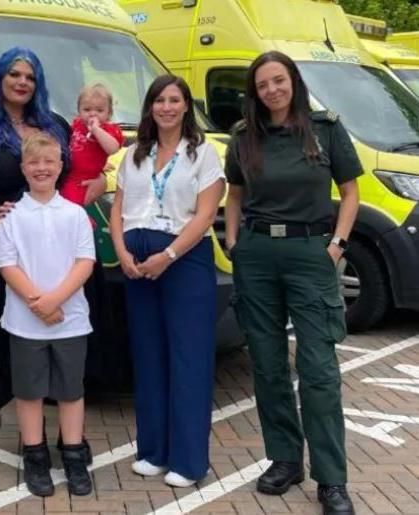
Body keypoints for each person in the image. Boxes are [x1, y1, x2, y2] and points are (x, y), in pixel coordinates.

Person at [224, 51, 360, 515]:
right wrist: (235, 242)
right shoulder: (244, 138)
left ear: (292, 82)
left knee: (319, 370)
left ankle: (332, 479)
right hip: (258, 257)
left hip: (310, 254)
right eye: (262, 85)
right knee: (267, 364)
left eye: (278, 81)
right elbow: (235, 193)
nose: (272, 91)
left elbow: (350, 190)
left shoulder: (324, 129)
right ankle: (285, 459)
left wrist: (337, 245)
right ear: (255, 92)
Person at [109, 74, 224, 488]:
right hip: (137, 262)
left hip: (183, 260)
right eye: (159, 100)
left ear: (185, 105)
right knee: (149, 356)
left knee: (188, 359)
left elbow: (205, 214)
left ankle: (189, 461)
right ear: (149, 107)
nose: (167, 107)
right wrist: (121, 251)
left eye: (175, 100)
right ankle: (154, 451)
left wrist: (169, 255)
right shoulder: (134, 154)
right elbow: (119, 207)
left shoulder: (203, 154)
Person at [0, 46, 72, 417]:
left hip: (56, 243)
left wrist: (97, 185)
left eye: (30, 77)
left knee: (57, 320)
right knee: (8, 325)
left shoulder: (56, 125)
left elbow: (76, 176)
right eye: (15, 74)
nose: (23, 82)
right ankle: (22, 413)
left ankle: (57, 407)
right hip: (5, 242)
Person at [0, 131, 96, 497]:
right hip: (25, 322)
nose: (41, 168)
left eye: (48, 162)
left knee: (71, 392)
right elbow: (7, 264)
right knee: (29, 391)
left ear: (60, 166)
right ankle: (34, 455)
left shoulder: (74, 213)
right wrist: (39, 302)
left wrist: (55, 301)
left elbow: (85, 261)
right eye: (34, 162)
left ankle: (72, 453)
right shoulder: (11, 215)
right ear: (23, 168)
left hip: (69, 321)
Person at [60, 83, 124, 207]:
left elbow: (113, 148)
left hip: (84, 179)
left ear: (109, 113)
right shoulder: (78, 124)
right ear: (79, 110)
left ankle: (84, 221)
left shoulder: (108, 129)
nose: (92, 114)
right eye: (87, 109)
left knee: (70, 204)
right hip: (69, 173)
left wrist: (96, 130)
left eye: (99, 110)